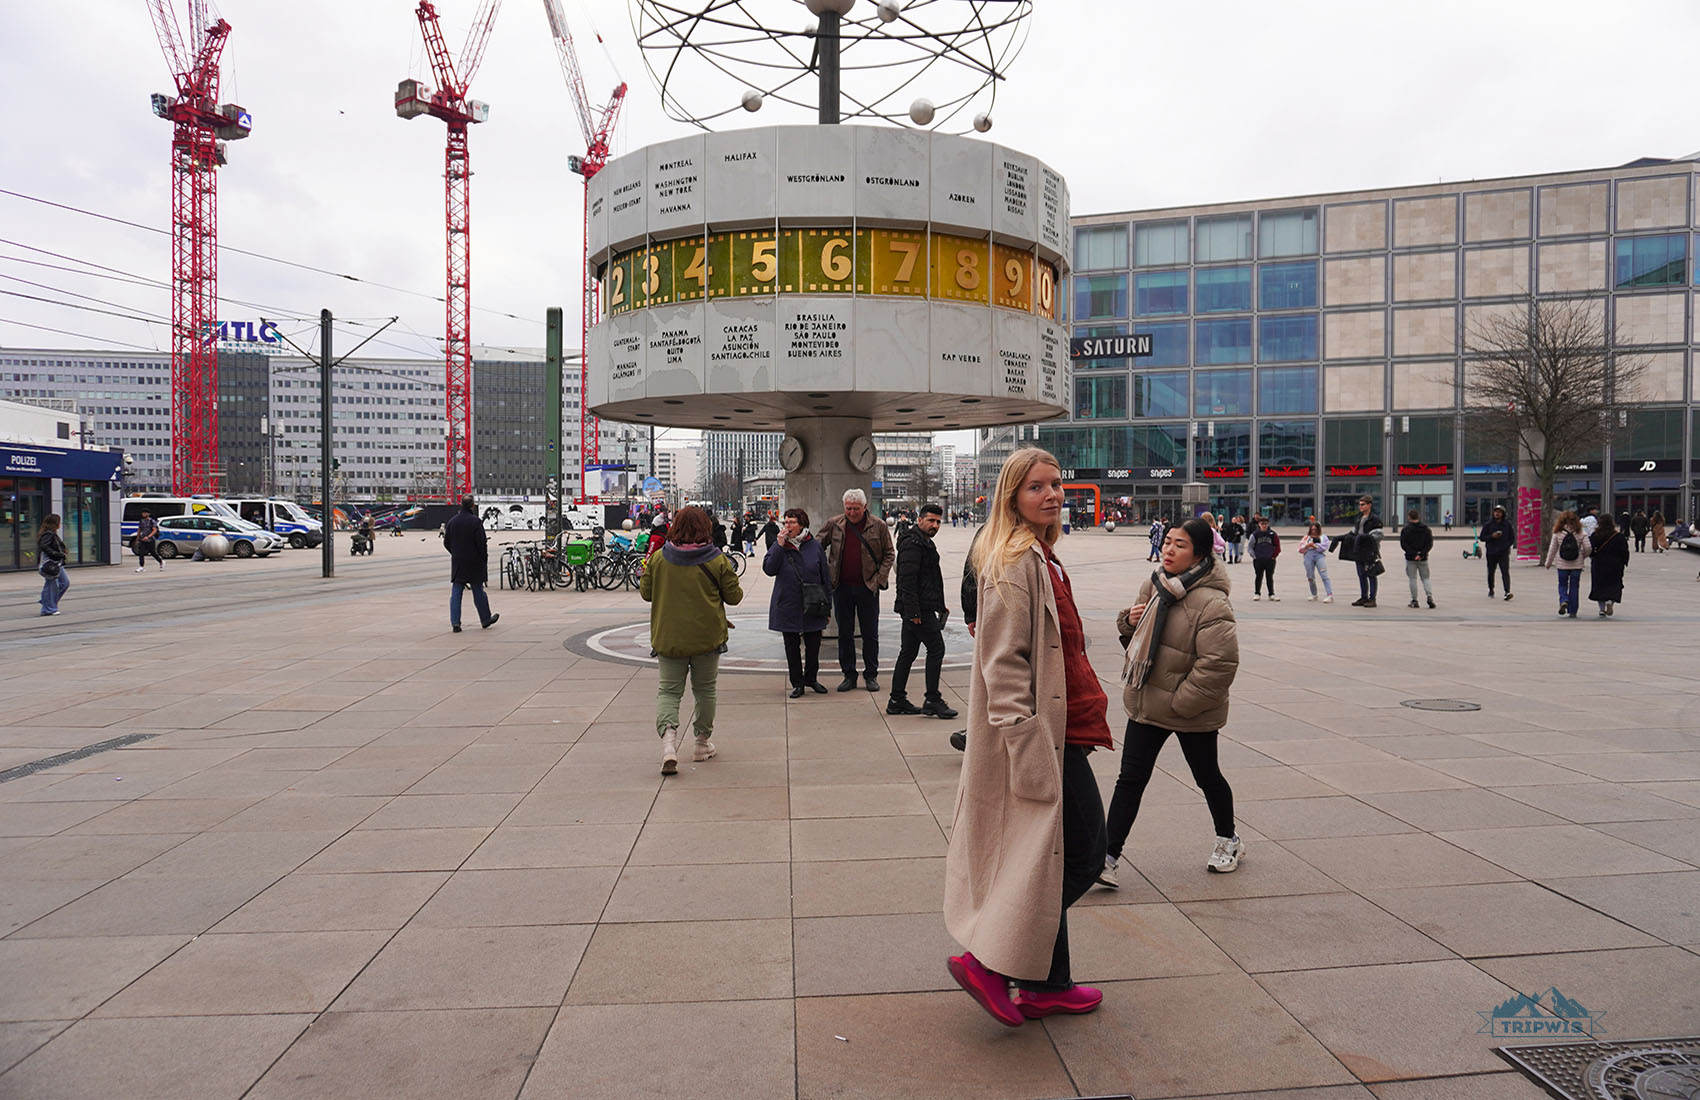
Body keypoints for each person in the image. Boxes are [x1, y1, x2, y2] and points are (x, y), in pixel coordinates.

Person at [944, 447, 1110, 1026]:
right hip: (1043, 738)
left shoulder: (1044, 556)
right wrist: (1025, 745)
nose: (1052, 494)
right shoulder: (1014, 561)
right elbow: (1003, 665)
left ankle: (1046, 982)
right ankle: (993, 959)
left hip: (1067, 727)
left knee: (1050, 857)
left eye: (1057, 484)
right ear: (1011, 496)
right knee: (1087, 854)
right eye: (1036, 486)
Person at [1100, 515, 1242, 891]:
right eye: (1167, 542)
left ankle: (1228, 839)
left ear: (1198, 554)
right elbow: (1134, 644)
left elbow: (1219, 664)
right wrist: (1128, 623)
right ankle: (1107, 857)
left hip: (1187, 708)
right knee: (1130, 780)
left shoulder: (1212, 602)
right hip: (1148, 703)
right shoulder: (1153, 585)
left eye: (1179, 545)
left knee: (1207, 776)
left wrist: (1181, 702)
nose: (1168, 550)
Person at [641, 505, 743, 774]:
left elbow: (646, 593)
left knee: (669, 691)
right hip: (707, 637)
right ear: (705, 527)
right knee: (705, 690)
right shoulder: (717, 559)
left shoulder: (660, 558)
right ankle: (701, 743)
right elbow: (734, 597)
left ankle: (668, 745)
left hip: (669, 637)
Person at [819, 489, 896, 692]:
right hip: (841, 588)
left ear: (864, 507)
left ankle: (871, 675)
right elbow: (817, 545)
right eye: (848, 508)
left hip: (868, 588)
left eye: (855, 509)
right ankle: (849, 675)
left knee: (870, 634)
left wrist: (880, 579)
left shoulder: (878, 525)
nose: (852, 513)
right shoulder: (835, 524)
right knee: (845, 633)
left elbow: (889, 553)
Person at [888, 504, 957, 719]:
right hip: (918, 609)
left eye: (938, 522)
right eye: (931, 521)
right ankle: (932, 699)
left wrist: (939, 603)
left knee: (908, 652)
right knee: (936, 649)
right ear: (920, 520)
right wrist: (914, 612)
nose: (935, 525)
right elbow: (906, 582)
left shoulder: (924, 542)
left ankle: (897, 699)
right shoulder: (913, 544)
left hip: (922, 606)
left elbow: (930, 579)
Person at [764, 507, 831, 698]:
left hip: (813, 601)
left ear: (802, 524)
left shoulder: (814, 545)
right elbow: (769, 568)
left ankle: (811, 678)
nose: (788, 526)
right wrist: (778, 545)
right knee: (791, 645)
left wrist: (828, 606)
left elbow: (824, 576)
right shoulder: (780, 546)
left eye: (792, 522)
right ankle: (797, 682)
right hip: (788, 602)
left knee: (813, 644)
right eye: (785, 522)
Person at [442, 495, 499, 633]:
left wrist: (455, 553)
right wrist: (483, 558)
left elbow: (446, 542)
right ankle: (485, 619)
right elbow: (481, 543)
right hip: (474, 562)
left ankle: (455, 623)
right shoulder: (476, 522)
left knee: (456, 593)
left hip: (458, 562)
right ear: (472, 505)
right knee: (478, 591)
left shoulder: (452, 522)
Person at [1545, 510, 1591, 618]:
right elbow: (1588, 547)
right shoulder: (1581, 533)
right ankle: (1573, 610)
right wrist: (1583, 556)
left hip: (1562, 564)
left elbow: (1553, 549)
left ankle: (1564, 600)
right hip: (1577, 564)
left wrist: (1548, 562)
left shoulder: (1557, 533)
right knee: (1574, 587)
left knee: (1562, 584)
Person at [1343, 496, 1384, 608]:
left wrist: (1364, 538)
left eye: (1363, 504)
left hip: (1369, 551)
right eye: (1359, 504)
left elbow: (1378, 535)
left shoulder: (1375, 519)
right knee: (1361, 574)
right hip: (1359, 551)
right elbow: (1354, 532)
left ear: (1369, 505)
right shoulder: (1359, 518)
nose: (1360, 507)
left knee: (1371, 574)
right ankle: (1363, 597)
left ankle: (1372, 598)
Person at [1586, 513, 1628, 617]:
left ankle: (1601, 609)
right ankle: (1610, 601)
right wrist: (1624, 562)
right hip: (1615, 564)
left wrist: (1592, 556)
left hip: (1599, 564)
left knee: (1599, 586)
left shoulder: (1595, 535)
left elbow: (1589, 548)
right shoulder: (1618, 536)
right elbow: (1624, 551)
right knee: (1614, 585)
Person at [1400, 509, 1435, 609]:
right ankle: (1429, 596)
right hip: (1423, 558)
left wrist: (1413, 553)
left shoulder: (1406, 530)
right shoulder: (1426, 529)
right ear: (1418, 517)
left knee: (1413, 579)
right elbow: (1429, 544)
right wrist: (1422, 554)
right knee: (1426, 578)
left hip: (1411, 558)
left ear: (1409, 517)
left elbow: (1404, 544)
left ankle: (1414, 600)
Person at [37, 513, 69, 617]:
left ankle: (47, 601)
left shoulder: (52, 534)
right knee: (51, 585)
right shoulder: (48, 534)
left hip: (57, 563)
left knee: (65, 583)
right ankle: (48, 608)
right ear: (55, 524)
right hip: (50, 564)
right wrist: (56, 554)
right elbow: (44, 546)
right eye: (59, 522)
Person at [1480, 504, 1515, 599]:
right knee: (1491, 572)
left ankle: (1507, 591)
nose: (1497, 514)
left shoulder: (1507, 525)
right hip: (1491, 552)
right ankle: (1491, 589)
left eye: (1499, 512)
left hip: (1503, 552)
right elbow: (1482, 537)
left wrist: (1506, 546)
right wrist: (1492, 536)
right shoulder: (1488, 525)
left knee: (1505, 572)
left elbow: (1512, 538)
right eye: (1495, 512)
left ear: (1503, 514)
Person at [1247, 515, 1280, 601]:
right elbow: (1250, 547)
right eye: (1262, 524)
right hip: (1258, 559)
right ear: (1259, 524)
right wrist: (1254, 556)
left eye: (1265, 524)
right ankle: (1257, 593)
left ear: (1268, 524)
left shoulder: (1272, 534)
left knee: (1269, 577)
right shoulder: (1255, 534)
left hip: (1270, 559)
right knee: (1258, 576)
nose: (1264, 525)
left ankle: (1271, 593)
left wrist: (1273, 556)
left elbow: (1277, 546)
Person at [1298, 523, 1333, 602]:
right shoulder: (1306, 537)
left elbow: (1324, 547)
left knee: (1324, 575)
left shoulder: (1323, 537)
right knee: (1310, 576)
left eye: (1315, 529)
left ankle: (1329, 594)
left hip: (1319, 555)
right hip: (1308, 555)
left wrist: (1316, 546)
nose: (1313, 531)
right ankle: (1314, 594)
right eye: (1312, 529)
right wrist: (1306, 546)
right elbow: (1300, 548)